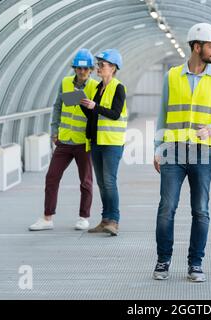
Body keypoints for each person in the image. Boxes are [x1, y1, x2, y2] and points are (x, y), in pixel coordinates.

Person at [152, 23, 211, 282]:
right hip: (172, 151)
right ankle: (163, 261)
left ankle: (195, 264)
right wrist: (156, 148)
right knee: (167, 207)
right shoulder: (172, 76)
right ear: (196, 47)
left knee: (200, 210)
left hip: (202, 153)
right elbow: (162, 114)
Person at [29, 48, 99, 231]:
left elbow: (97, 113)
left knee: (86, 181)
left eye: (85, 69)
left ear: (91, 69)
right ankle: (47, 218)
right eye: (78, 68)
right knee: (51, 177)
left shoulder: (94, 86)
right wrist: (54, 131)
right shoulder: (66, 83)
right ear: (74, 68)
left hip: (83, 142)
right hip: (64, 141)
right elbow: (58, 107)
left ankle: (84, 217)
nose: (82, 72)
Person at [80, 49, 127, 236]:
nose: (98, 68)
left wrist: (95, 106)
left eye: (102, 65)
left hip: (112, 142)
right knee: (101, 182)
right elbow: (94, 115)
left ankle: (114, 221)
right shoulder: (98, 88)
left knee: (109, 181)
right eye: (98, 65)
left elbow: (115, 113)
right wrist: (84, 106)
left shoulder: (118, 87)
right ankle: (105, 219)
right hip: (96, 141)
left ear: (113, 68)